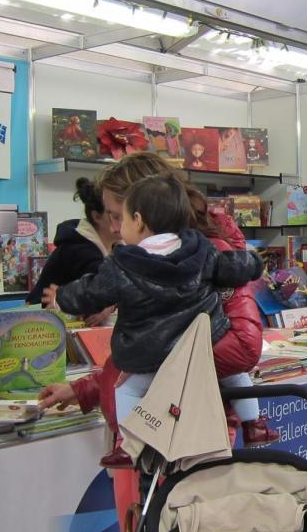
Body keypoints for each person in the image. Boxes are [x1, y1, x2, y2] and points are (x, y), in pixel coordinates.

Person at [43, 174, 263, 468]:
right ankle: (256, 424)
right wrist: (254, 263)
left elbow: (90, 292)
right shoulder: (200, 250)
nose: (115, 228)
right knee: (239, 378)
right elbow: (231, 267)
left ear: (139, 220)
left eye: (119, 217)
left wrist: (63, 297)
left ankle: (126, 444)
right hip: (204, 341)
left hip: (151, 357)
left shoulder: (123, 264)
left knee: (128, 390)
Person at [27, 177, 117, 312]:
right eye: (115, 216)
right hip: (43, 322)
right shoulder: (81, 249)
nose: (122, 221)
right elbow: (99, 293)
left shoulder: (114, 245)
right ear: (97, 216)